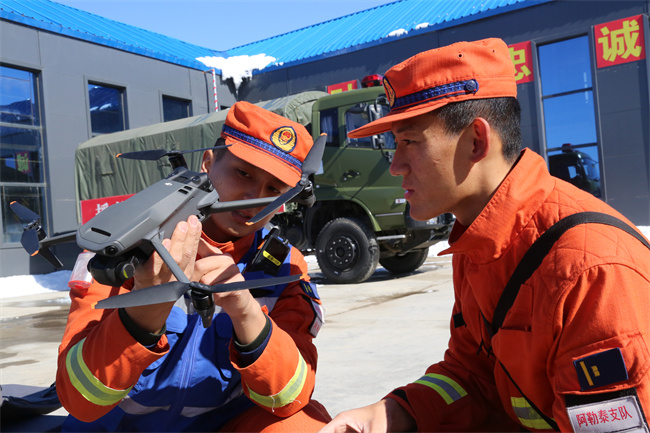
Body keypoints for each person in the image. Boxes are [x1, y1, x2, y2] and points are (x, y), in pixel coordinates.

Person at [319, 38, 650, 432]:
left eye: (409, 142)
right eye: (394, 144)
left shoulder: (589, 270)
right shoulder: (477, 242)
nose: (396, 165)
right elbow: (472, 372)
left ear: (476, 141)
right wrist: (392, 413)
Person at [56, 101, 331, 432]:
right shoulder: (124, 245)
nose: (255, 196)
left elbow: (290, 397)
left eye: (274, 188)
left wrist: (247, 314)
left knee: (307, 424)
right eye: (243, 173)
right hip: (118, 427)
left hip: (221, 425)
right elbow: (78, 399)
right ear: (208, 162)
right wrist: (143, 312)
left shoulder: (286, 267)